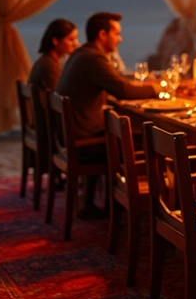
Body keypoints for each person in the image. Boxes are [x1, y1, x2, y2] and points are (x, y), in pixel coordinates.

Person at [56, 12, 159, 217]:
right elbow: (124, 91)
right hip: (85, 145)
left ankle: (105, 203)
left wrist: (143, 84)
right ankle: (151, 206)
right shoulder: (92, 58)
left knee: (130, 133)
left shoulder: (83, 54)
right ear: (102, 35)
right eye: (117, 33)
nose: (120, 39)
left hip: (74, 137)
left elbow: (116, 82)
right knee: (152, 142)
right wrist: (155, 88)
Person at [28, 18, 78, 92]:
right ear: (55, 41)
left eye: (76, 39)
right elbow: (61, 95)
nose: (76, 44)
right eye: (71, 39)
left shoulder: (46, 60)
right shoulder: (49, 66)